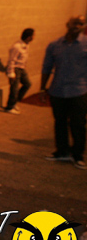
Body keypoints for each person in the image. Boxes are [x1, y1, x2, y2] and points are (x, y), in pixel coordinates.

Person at [41, 16, 87, 170]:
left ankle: (77, 155)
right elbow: (47, 67)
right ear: (68, 24)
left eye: (81, 24)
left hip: (79, 90)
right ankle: (62, 151)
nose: (77, 26)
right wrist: (42, 88)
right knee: (59, 123)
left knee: (78, 124)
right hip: (58, 90)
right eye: (75, 23)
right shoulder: (54, 45)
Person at [4, 28, 34, 114]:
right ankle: (9, 107)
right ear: (29, 37)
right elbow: (11, 60)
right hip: (15, 69)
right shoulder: (17, 46)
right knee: (14, 89)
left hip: (21, 68)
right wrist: (11, 73)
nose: (33, 37)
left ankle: (14, 102)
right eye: (33, 36)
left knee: (27, 84)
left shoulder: (26, 45)